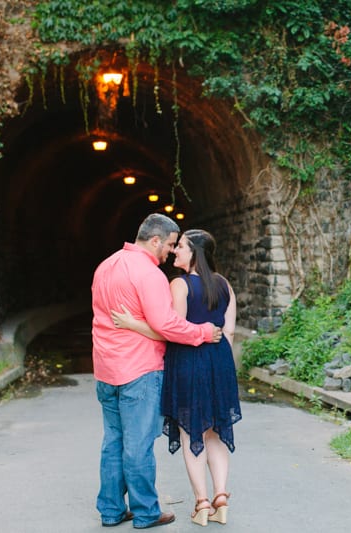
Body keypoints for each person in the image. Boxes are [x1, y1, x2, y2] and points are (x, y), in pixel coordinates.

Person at [91, 214, 223, 529]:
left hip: (105, 368)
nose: (170, 251)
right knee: (137, 444)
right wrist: (202, 332)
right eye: (169, 244)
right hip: (138, 369)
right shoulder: (148, 274)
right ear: (154, 241)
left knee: (114, 441)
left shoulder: (105, 266)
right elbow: (166, 324)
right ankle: (146, 512)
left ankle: (111, 510)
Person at [112, 228, 242, 526]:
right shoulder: (225, 285)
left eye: (181, 246)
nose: (175, 251)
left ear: (195, 252)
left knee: (191, 431)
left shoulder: (180, 285)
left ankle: (202, 503)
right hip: (220, 362)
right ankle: (221, 495)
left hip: (189, 362)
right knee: (215, 431)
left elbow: (172, 331)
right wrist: (219, 365)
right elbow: (230, 331)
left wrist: (133, 324)